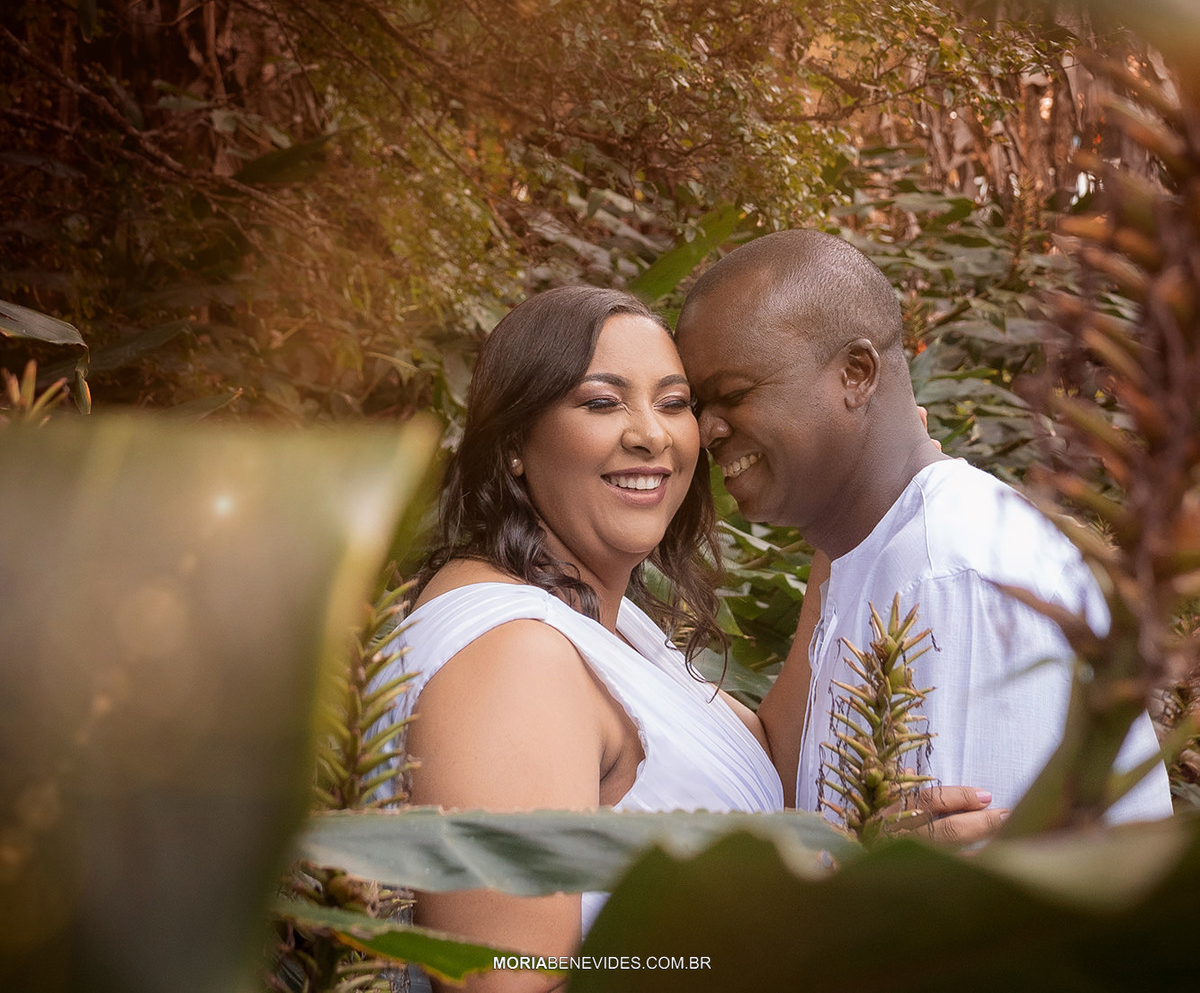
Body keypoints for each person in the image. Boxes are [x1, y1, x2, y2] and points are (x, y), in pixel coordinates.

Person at [399, 283, 997, 992]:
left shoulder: (594, 619)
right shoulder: (512, 656)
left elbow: (761, 764)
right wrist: (833, 909)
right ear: (513, 447)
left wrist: (843, 514)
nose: (651, 432)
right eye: (601, 400)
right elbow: (510, 983)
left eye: (674, 401)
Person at [673, 228, 1173, 826]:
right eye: (698, 406)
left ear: (856, 373)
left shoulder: (946, 575)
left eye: (732, 395)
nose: (706, 431)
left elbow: (968, 893)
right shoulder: (878, 547)